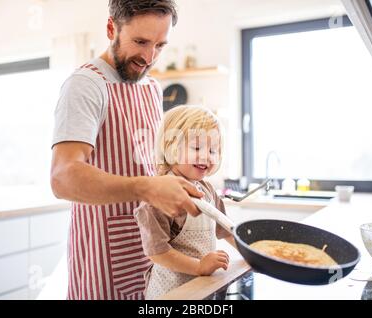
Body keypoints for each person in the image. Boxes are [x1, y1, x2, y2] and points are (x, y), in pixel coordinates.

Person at [50, 0, 204, 300]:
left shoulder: (151, 88)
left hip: (153, 256)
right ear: (111, 28)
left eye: (160, 45)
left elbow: (150, 165)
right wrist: (146, 188)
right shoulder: (85, 85)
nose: (148, 57)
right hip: (103, 260)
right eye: (140, 42)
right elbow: (62, 177)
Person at [134, 105, 236, 300]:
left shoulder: (208, 190)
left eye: (213, 150)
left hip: (200, 288)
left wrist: (252, 254)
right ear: (171, 147)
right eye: (197, 147)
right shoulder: (159, 196)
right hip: (171, 292)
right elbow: (156, 252)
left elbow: (227, 230)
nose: (206, 156)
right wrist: (199, 266)